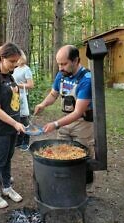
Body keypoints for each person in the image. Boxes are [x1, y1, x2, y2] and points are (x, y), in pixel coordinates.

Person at [34, 45, 94, 183]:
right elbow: (53, 94)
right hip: (66, 120)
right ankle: (63, 183)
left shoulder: (86, 79)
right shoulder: (62, 75)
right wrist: (43, 104)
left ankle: (81, 186)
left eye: (64, 64)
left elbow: (78, 112)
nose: (60, 68)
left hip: (82, 124)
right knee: (60, 153)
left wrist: (55, 124)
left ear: (76, 60)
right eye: (59, 64)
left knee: (81, 157)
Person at [0, 42, 25, 209]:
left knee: (8, 158)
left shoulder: (10, 76)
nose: (15, 64)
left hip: (12, 126)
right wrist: (15, 122)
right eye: (11, 61)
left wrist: (19, 120)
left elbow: (12, 100)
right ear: (1, 59)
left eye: (16, 61)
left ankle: (7, 188)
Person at [12, 50, 34, 151]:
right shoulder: (15, 69)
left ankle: (26, 142)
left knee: (25, 120)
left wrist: (18, 85)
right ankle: (18, 141)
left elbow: (30, 85)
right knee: (17, 118)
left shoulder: (26, 69)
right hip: (15, 96)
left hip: (24, 97)